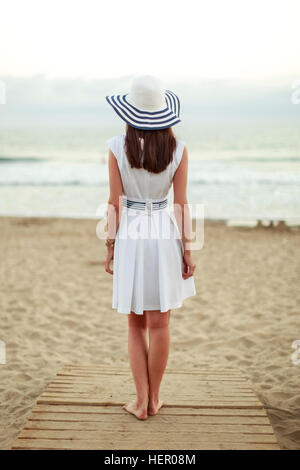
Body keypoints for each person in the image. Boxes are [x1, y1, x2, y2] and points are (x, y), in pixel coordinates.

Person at [104, 75, 196, 420]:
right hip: (162, 232)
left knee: (135, 324)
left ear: (130, 112)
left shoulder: (116, 147)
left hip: (130, 230)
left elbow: (114, 202)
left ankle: (139, 402)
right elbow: (182, 205)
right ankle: (155, 400)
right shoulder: (179, 149)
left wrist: (110, 245)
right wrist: (188, 250)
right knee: (161, 324)